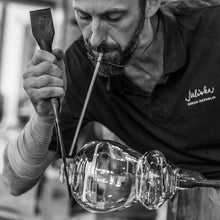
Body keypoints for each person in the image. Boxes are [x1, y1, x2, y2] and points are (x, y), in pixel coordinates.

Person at [2, 0, 220, 219]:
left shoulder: (212, 29)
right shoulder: (80, 70)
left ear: (151, 4)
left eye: (113, 17)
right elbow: (14, 182)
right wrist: (44, 116)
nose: (95, 38)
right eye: (84, 17)